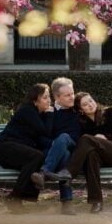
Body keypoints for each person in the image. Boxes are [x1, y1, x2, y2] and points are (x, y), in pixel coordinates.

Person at [66, 92, 112, 213]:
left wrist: (105, 138)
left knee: (86, 138)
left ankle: (69, 174)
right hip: (100, 158)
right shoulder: (82, 123)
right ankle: (96, 201)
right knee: (91, 156)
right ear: (80, 109)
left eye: (90, 100)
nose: (90, 104)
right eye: (85, 104)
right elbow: (79, 144)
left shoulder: (109, 112)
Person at [0, 83, 53, 209]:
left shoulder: (38, 114)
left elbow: (44, 136)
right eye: (45, 97)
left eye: (49, 97)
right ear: (35, 100)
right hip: (6, 148)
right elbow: (45, 131)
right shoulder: (28, 111)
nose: (49, 100)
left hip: (18, 153)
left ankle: (19, 198)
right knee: (37, 156)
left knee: (37, 158)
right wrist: (49, 114)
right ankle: (14, 197)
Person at [30, 77, 82, 213]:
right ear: (56, 97)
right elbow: (39, 137)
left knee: (64, 138)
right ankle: (67, 203)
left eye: (72, 93)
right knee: (64, 154)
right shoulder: (49, 113)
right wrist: (56, 144)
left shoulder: (78, 110)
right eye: (67, 95)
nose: (72, 97)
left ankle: (44, 172)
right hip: (57, 152)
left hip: (75, 147)